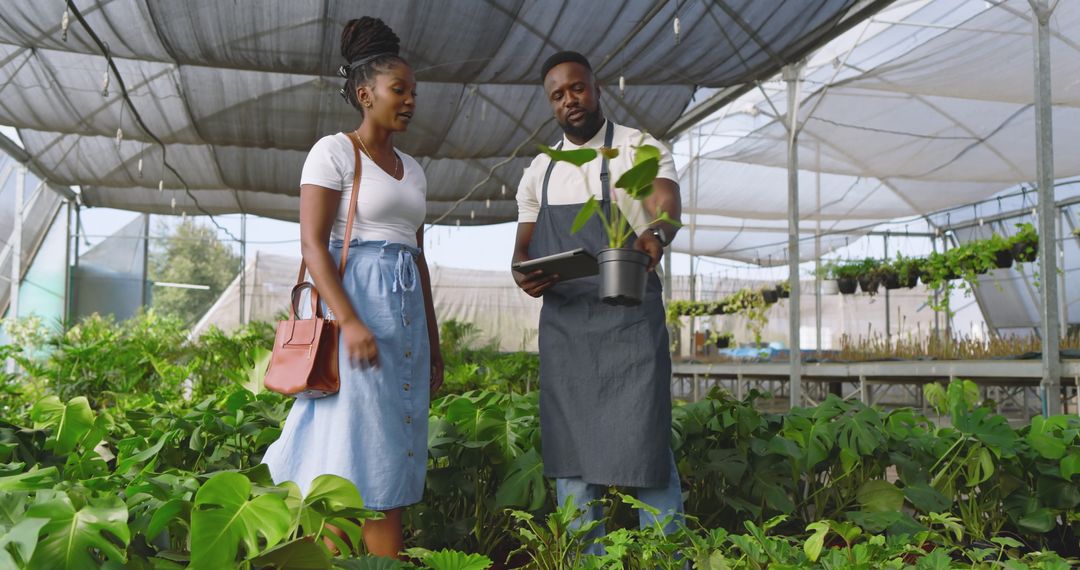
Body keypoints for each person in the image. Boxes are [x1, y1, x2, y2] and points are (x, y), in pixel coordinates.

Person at [262, 16, 443, 559]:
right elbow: (313, 246)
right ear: (365, 95)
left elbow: (418, 258)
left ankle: (378, 562)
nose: (410, 100)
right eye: (399, 90)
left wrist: (434, 344)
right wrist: (351, 322)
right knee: (350, 455)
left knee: (393, 449)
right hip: (355, 313)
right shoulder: (334, 152)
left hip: (405, 319)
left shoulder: (414, 170)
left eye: (413, 92)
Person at [512, 51, 683, 553]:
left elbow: (664, 206)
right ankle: (587, 560)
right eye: (558, 95)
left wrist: (654, 235)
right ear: (550, 104)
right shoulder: (540, 171)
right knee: (571, 455)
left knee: (647, 445)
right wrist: (524, 273)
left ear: (596, 88)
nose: (570, 100)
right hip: (567, 330)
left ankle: (663, 560)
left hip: (630, 325)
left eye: (577, 88)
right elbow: (523, 249)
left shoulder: (637, 148)